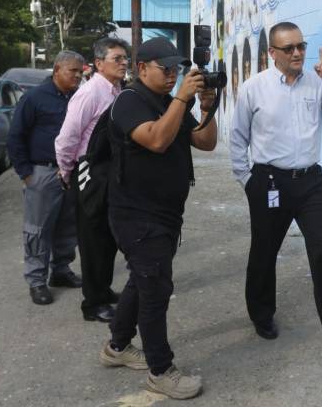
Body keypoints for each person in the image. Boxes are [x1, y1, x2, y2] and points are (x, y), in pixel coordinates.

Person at [99, 37, 217, 401]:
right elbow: (156, 140)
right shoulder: (128, 102)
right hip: (135, 215)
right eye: (164, 69)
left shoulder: (170, 102)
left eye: (175, 69)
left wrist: (208, 107)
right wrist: (182, 98)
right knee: (155, 291)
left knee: (142, 280)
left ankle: (116, 348)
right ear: (142, 68)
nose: (172, 75)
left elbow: (205, 142)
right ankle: (161, 370)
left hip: (166, 214)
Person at [229, 22, 322, 350]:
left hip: (310, 182)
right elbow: (238, 137)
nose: (298, 53)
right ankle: (261, 314)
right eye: (289, 49)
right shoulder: (253, 88)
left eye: (301, 46)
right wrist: (247, 180)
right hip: (269, 181)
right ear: (272, 53)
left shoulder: (317, 82)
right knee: (264, 250)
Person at [55, 37, 129, 323]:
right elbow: (67, 138)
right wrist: (66, 171)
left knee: (108, 237)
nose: (123, 64)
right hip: (89, 172)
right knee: (93, 238)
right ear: (99, 64)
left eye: (125, 58)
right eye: (117, 59)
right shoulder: (90, 93)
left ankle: (103, 288)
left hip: (110, 171)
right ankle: (93, 303)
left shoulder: (117, 90)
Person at [8, 50, 85, 306]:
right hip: (42, 172)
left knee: (67, 225)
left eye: (79, 71)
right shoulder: (34, 98)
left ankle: (60, 271)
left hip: (70, 172)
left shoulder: (77, 97)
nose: (77, 75)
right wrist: (26, 173)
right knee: (38, 230)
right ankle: (36, 281)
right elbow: (16, 135)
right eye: (72, 70)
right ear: (57, 70)